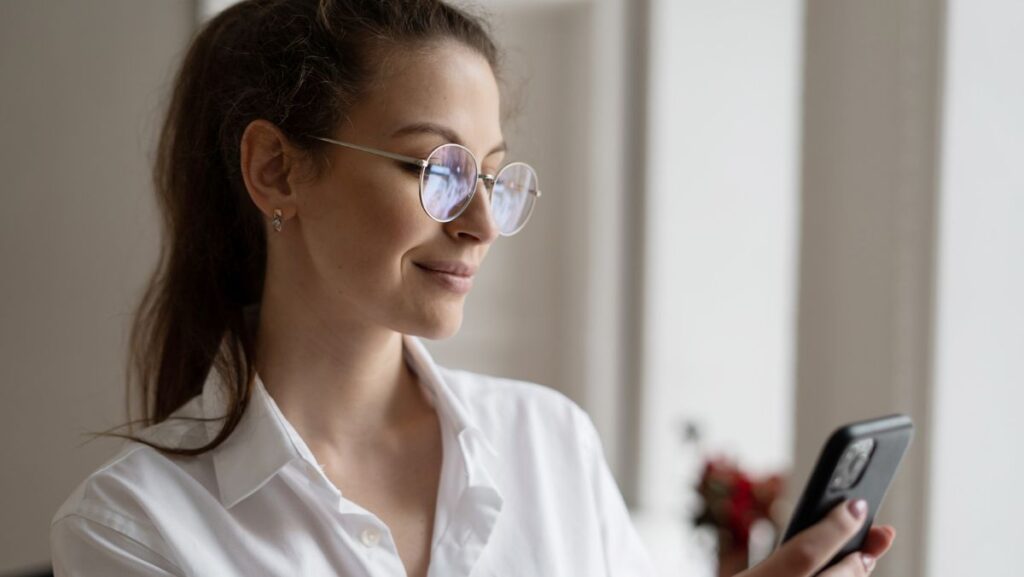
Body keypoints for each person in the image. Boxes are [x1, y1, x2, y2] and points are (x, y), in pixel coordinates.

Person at [49, 1, 896, 575]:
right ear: (277, 170)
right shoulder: (133, 528)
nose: (483, 225)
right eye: (437, 169)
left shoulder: (550, 442)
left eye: (493, 176)